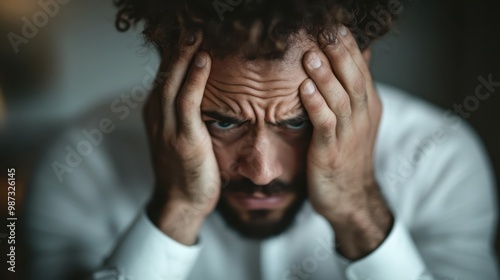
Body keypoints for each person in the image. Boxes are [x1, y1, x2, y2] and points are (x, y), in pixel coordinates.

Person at [25, 0, 499, 279]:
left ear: (359, 70)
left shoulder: (441, 162)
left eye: (298, 122)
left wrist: (359, 211)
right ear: (166, 73)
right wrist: (176, 210)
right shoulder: (78, 162)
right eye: (223, 121)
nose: (262, 171)